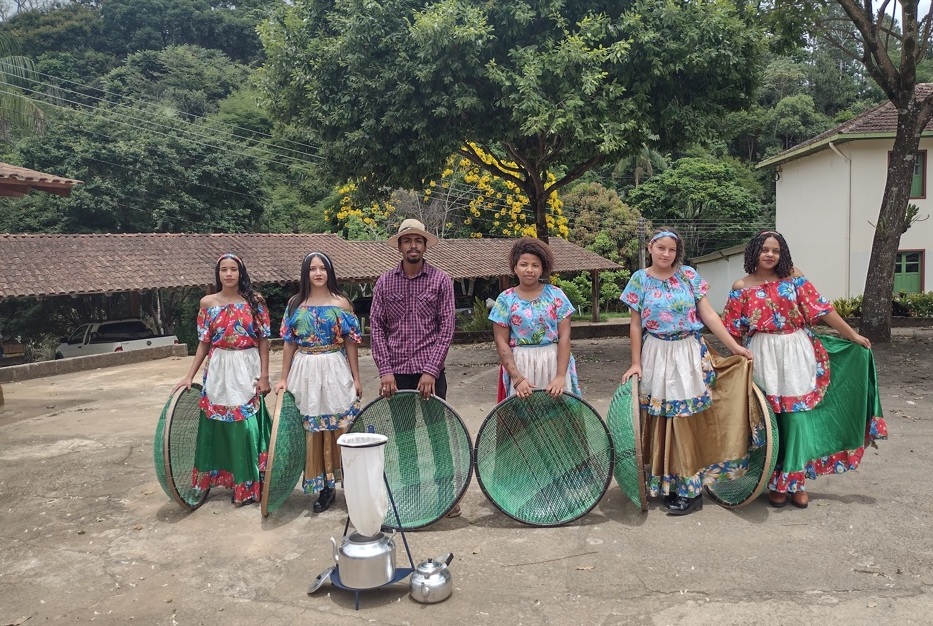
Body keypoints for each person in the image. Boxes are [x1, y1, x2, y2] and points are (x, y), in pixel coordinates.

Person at [721, 231, 887, 509]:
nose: (770, 255)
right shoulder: (741, 286)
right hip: (763, 354)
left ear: (782, 253)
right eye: (764, 250)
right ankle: (773, 481)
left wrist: (851, 335)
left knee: (797, 419)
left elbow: (822, 310)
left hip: (797, 350)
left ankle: (795, 482)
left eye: (775, 250)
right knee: (771, 421)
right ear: (754, 253)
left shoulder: (795, 277)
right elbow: (732, 330)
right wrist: (740, 360)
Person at [620, 228, 753, 515]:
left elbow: (708, 315)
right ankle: (667, 484)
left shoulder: (688, 276)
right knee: (660, 421)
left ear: (676, 252)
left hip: (687, 353)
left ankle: (690, 490)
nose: (666, 253)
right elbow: (634, 325)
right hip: (655, 352)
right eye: (661, 248)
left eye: (671, 249)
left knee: (683, 420)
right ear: (650, 248)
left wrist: (734, 347)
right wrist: (636, 362)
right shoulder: (639, 280)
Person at [370, 218, 459, 517]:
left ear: (424, 245)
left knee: (438, 435)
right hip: (396, 374)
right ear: (399, 246)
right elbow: (377, 329)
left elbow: (446, 329)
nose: (413, 245)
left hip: (431, 373)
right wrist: (385, 370)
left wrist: (431, 371)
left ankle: (448, 496)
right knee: (404, 436)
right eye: (407, 240)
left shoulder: (441, 280)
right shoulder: (384, 282)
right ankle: (411, 492)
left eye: (418, 240)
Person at [173, 254, 271, 507]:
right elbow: (204, 342)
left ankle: (247, 485)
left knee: (245, 427)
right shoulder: (208, 303)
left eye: (233, 269)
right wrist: (189, 376)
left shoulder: (254, 301)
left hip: (246, 366)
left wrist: (265, 376)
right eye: (224, 270)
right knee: (217, 425)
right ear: (218, 274)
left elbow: (263, 340)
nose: (229, 274)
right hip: (218, 368)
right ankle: (221, 479)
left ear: (241, 273)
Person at [274, 252, 362, 513]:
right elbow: (289, 342)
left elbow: (350, 342)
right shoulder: (295, 304)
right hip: (305, 369)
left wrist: (356, 377)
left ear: (330, 272)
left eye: (323, 268)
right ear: (306, 273)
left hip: (334, 366)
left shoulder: (342, 303)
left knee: (338, 425)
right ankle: (325, 488)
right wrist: (282, 378)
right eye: (312, 269)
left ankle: (350, 482)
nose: (318, 273)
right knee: (313, 427)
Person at [489, 237, 580, 401]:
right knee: (522, 420)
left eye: (535, 265)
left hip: (553, 361)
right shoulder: (505, 299)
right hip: (520, 364)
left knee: (558, 418)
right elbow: (501, 341)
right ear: (515, 268)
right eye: (524, 264)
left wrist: (560, 376)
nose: (529, 269)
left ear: (542, 269)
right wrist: (517, 378)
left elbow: (565, 337)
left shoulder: (556, 295)